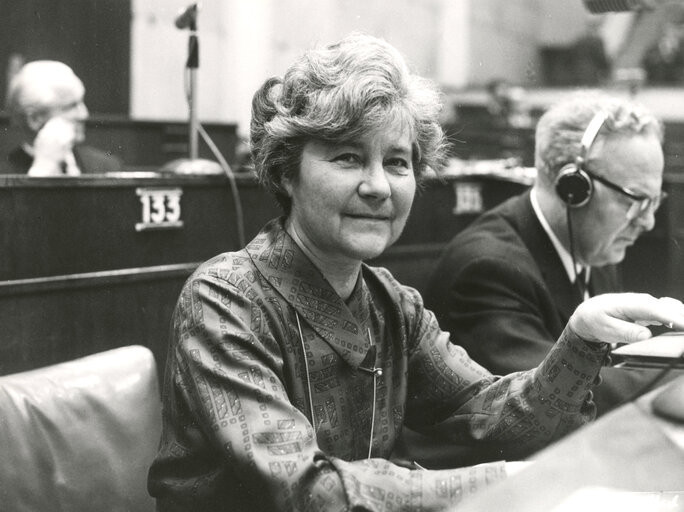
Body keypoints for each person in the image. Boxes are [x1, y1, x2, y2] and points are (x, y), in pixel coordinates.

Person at [147, 34, 684, 511]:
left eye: (398, 162)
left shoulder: (391, 304)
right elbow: (309, 492)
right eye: (348, 158)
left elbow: (491, 414)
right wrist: (502, 481)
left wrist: (581, 337)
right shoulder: (223, 300)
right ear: (287, 172)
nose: (379, 186)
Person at [424, 91, 679, 418]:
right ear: (573, 188)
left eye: (654, 202)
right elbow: (558, 397)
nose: (648, 222)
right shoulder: (487, 269)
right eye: (635, 201)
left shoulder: (592, 250)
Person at [2, 60, 122, 175]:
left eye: (81, 103)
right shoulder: (4, 173)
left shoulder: (107, 166)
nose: (84, 114)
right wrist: (43, 168)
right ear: (34, 119)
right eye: (71, 106)